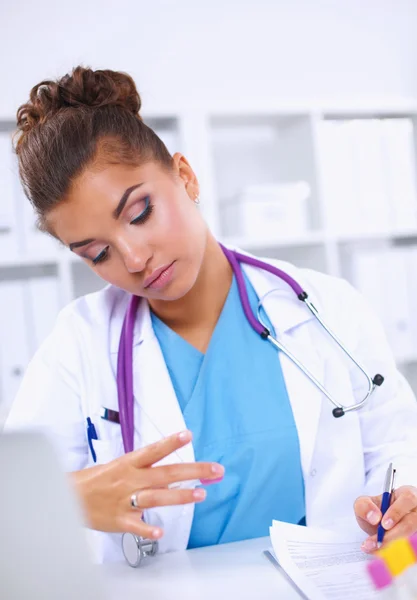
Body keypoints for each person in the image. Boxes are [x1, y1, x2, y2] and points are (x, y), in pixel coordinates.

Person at [5, 66, 417, 564]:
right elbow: (18, 503)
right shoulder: (80, 344)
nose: (134, 259)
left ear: (184, 175)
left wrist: (401, 522)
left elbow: (396, 449)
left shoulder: (327, 307)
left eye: (139, 214)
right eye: (97, 254)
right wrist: (69, 500)